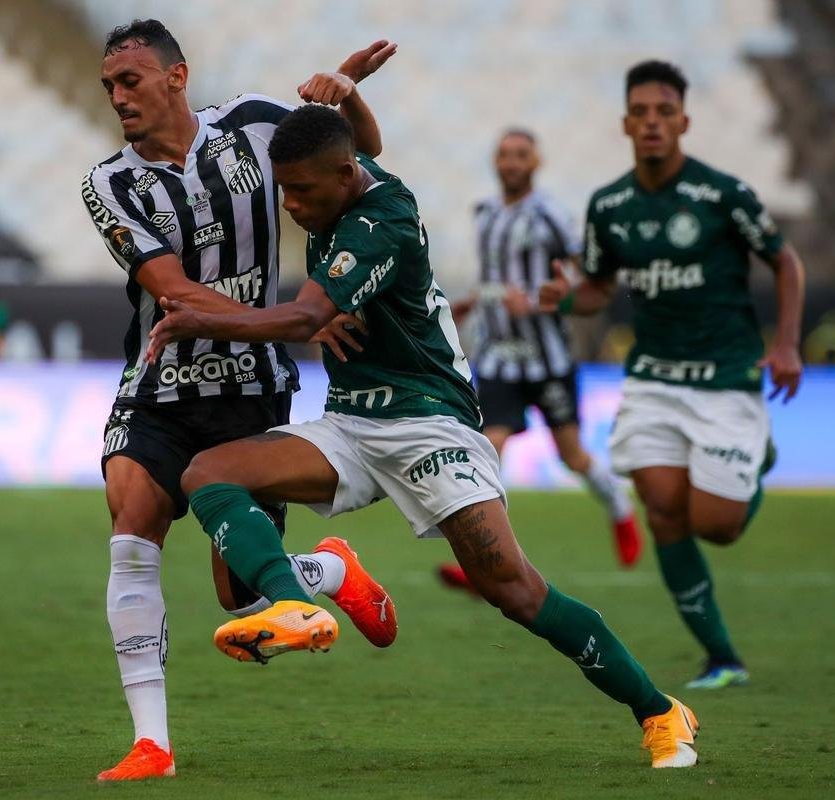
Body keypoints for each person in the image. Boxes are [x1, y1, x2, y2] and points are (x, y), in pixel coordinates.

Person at [148, 104, 700, 769]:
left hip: (429, 421)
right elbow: (363, 147)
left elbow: (303, 318)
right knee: (208, 474)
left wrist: (199, 321)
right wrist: (346, 94)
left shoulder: (382, 221)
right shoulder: (349, 176)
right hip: (352, 421)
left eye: (301, 191)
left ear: (345, 176)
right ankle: (302, 597)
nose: (289, 205)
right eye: (283, 188)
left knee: (513, 591)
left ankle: (660, 711)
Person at [81, 20, 399, 781]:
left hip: (251, 389)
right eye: (109, 87)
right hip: (158, 387)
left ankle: (326, 572)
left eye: (130, 80)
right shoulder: (110, 183)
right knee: (130, 531)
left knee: (239, 592)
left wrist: (344, 98)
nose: (118, 97)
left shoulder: (256, 123)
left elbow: (363, 156)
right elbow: (172, 293)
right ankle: (151, 744)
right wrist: (298, 321)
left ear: (177, 76)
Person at [539, 60, 806, 690]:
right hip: (654, 380)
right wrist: (568, 297)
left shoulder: (722, 195)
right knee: (662, 510)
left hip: (724, 378)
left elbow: (786, 262)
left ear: (683, 121)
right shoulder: (609, 205)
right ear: (626, 122)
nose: (653, 123)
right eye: (642, 113)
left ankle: (756, 456)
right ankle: (722, 658)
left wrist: (788, 343)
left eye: (665, 113)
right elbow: (600, 289)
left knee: (718, 526)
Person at [441, 129, 641, 597]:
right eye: (504, 154)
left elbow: (586, 275)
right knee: (489, 450)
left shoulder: (550, 214)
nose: (511, 162)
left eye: (521, 155)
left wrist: (540, 301)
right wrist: (474, 302)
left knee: (573, 456)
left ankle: (619, 509)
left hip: (547, 359)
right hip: (498, 359)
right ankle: (488, 560)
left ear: (536, 162)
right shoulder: (486, 213)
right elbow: (496, 277)